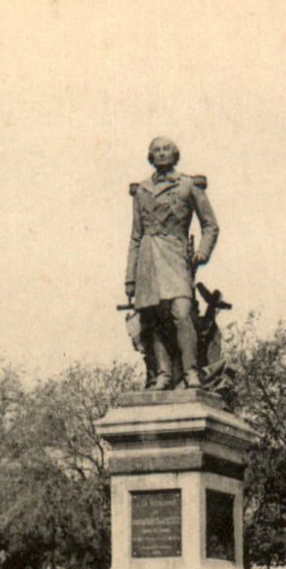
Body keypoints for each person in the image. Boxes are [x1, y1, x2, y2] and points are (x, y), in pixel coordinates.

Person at [125, 137, 219, 389]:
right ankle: (164, 374)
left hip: (176, 254)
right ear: (151, 156)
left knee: (181, 312)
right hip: (147, 257)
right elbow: (136, 235)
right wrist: (130, 277)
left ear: (175, 155)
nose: (162, 153)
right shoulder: (142, 190)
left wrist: (202, 251)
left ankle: (190, 372)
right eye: (156, 150)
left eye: (166, 149)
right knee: (153, 319)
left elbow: (210, 225)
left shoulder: (189, 185)